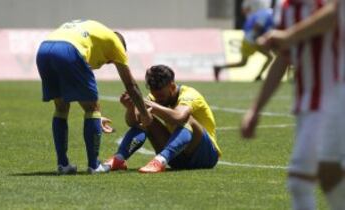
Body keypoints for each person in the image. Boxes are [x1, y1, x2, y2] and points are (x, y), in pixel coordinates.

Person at [240, 0, 342, 209]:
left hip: (336, 97)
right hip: (307, 104)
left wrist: (288, 35)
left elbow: (331, 16)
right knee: (316, 177)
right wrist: (255, 109)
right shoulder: (285, 7)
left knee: (310, 177)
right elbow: (282, 59)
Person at [36, 20, 152, 175]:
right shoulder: (116, 44)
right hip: (69, 50)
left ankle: (63, 165)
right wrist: (144, 114)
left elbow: (76, 87)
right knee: (93, 108)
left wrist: (96, 119)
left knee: (61, 107)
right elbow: (131, 86)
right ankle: (94, 165)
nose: (109, 62)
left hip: (44, 49)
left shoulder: (97, 35)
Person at [103, 65, 221, 173]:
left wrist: (147, 104)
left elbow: (178, 117)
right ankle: (119, 159)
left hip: (206, 157)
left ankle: (159, 161)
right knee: (146, 117)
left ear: (172, 86)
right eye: (155, 95)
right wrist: (130, 108)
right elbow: (133, 122)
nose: (157, 99)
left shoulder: (189, 95)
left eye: (161, 96)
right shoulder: (153, 98)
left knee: (186, 119)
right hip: (177, 159)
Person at [213, 3, 274, 82]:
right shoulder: (268, 14)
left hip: (248, 39)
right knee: (270, 57)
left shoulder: (265, 12)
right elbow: (257, 27)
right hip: (252, 40)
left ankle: (219, 67)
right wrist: (260, 39)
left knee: (243, 63)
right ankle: (259, 76)